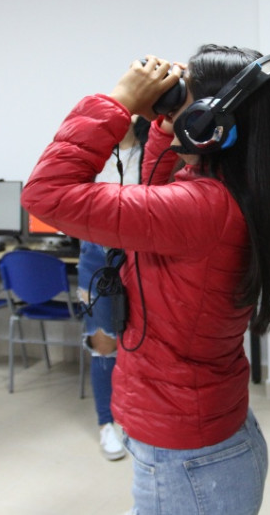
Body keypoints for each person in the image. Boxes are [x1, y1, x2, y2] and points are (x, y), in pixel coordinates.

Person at [22, 46, 270, 515]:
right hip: (209, 433)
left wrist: (116, 102)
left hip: (188, 458)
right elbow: (160, 195)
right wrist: (166, 126)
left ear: (206, 124)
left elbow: (45, 194)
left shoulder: (202, 210)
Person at [76, 115, 148, 461]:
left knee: (145, 338)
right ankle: (107, 423)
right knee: (103, 340)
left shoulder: (154, 151)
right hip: (96, 253)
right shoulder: (93, 158)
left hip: (144, 253)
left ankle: (139, 419)